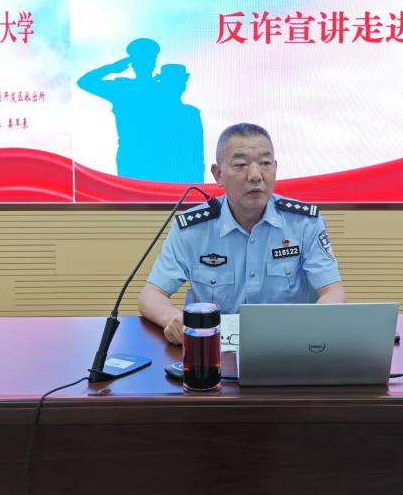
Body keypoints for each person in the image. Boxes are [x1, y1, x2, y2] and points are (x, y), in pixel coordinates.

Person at [138, 122, 347, 345]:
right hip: (216, 349)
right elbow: (150, 296)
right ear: (218, 174)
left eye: (265, 163)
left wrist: (310, 332)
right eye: (240, 165)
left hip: (289, 345)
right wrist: (174, 319)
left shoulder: (304, 223)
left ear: (275, 168)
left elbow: (333, 292)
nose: (255, 175)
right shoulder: (192, 229)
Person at [76, 38, 162, 180]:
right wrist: (111, 68)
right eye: (141, 59)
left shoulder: (162, 88)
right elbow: (84, 82)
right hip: (133, 155)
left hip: (159, 154)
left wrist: (112, 68)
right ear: (133, 63)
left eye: (149, 59)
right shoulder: (122, 87)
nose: (146, 63)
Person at [154, 63, 204, 183]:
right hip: (157, 180)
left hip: (184, 181)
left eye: (179, 82)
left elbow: (197, 154)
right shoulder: (152, 113)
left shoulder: (191, 114)